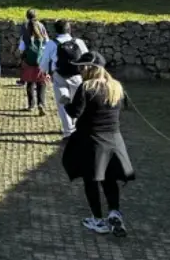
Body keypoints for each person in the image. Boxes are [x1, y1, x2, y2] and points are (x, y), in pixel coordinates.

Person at [61, 52, 134, 237]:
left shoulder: (86, 87)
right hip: (114, 140)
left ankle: (98, 220)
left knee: (91, 181)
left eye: (81, 67)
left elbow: (75, 112)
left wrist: (65, 102)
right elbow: (123, 107)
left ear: (90, 68)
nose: (79, 70)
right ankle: (114, 212)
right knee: (109, 179)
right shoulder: (116, 86)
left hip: (91, 140)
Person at [39, 20, 88, 139]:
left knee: (63, 104)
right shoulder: (79, 42)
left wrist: (43, 71)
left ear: (56, 31)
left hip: (59, 76)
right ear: (69, 29)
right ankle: (77, 128)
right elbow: (87, 58)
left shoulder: (51, 43)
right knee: (78, 103)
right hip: (77, 76)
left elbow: (44, 61)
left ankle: (68, 132)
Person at [19, 19, 49, 112]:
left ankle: (31, 105)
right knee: (41, 84)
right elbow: (48, 48)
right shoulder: (43, 38)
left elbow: (21, 49)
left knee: (30, 83)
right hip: (41, 63)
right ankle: (41, 104)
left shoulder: (25, 38)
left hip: (29, 64)